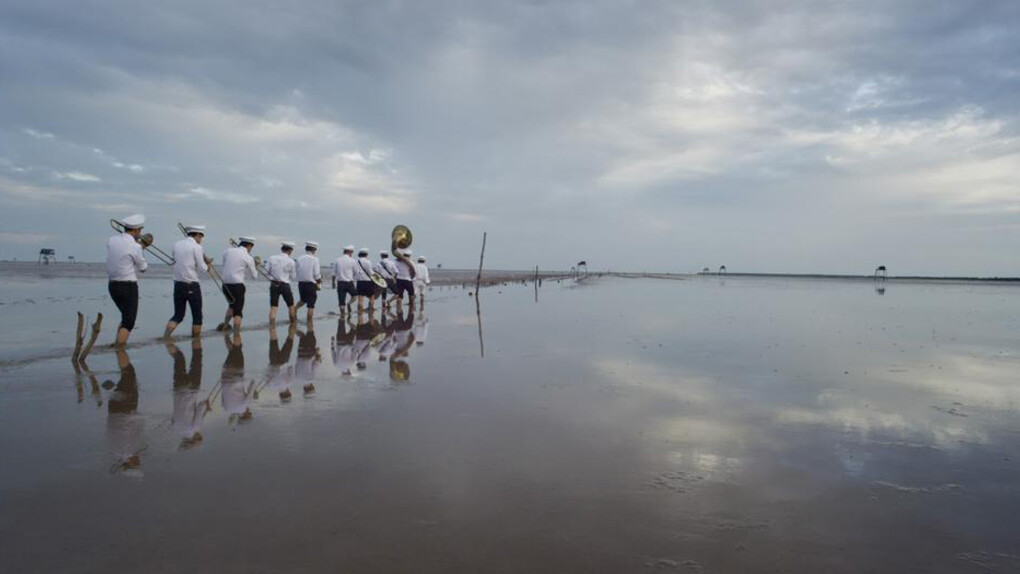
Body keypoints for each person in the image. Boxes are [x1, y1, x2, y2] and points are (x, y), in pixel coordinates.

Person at [106, 214, 148, 346]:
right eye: (140, 230)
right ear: (135, 230)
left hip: (112, 286)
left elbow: (121, 254)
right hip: (128, 286)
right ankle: (119, 349)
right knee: (129, 322)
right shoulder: (135, 246)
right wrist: (141, 247)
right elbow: (143, 268)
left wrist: (140, 246)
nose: (140, 233)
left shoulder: (112, 240)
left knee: (125, 318)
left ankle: (117, 344)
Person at [164, 225, 209, 339]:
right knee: (197, 316)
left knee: (178, 315)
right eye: (201, 237)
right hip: (192, 284)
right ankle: (196, 340)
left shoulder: (177, 244)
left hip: (178, 284)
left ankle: (165, 337)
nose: (201, 240)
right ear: (198, 235)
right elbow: (203, 269)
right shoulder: (197, 247)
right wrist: (208, 265)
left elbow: (176, 260)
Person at [219, 236, 258, 331]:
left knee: (231, 306)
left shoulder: (227, 251)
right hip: (237, 285)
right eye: (251, 248)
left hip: (225, 285)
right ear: (249, 246)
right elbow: (254, 276)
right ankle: (236, 333)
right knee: (238, 311)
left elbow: (225, 265)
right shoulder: (248, 257)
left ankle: (225, 325)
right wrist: (255, 265)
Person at [266, 241, 297, 324]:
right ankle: (293, 323)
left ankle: (272, 325)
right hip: (285, 285)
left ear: (281, 249)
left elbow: (266, 272)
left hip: (273, 284)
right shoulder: (291, 261)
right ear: (290, 250)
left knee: (273, 307)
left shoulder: (271, 258)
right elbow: (293, 276)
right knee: (291, 306)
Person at [295, 241, 322, 324]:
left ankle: (294, 310)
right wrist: (319, 282)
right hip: (310, 284)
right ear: (314, 250)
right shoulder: (315, 259)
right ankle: (309, 322)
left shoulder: (299, 258)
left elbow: (296, 271)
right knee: (311, 305)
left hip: (301, 284)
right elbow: (317, 274)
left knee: (302, 300)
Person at [333, 245, 357, 316]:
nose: (352, 254)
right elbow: (355, 272)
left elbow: (334, 273)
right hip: (349, 282)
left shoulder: (338, 260)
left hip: (340, 283)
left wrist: (333, 283)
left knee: (341, 301)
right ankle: (349, 303)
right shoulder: (352, 261)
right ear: (350, 252)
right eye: (352, 252)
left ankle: (342, 314)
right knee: (355, 296)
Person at [354, 248, 376, 314]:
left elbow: (355, 272)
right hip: (368, 281)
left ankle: (360, 313)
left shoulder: (356, 262)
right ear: (366, 254)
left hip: (359, 282)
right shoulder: (368, 262)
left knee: (360, 299)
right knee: (372, 296)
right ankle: (371, 310)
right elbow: (370, 272)